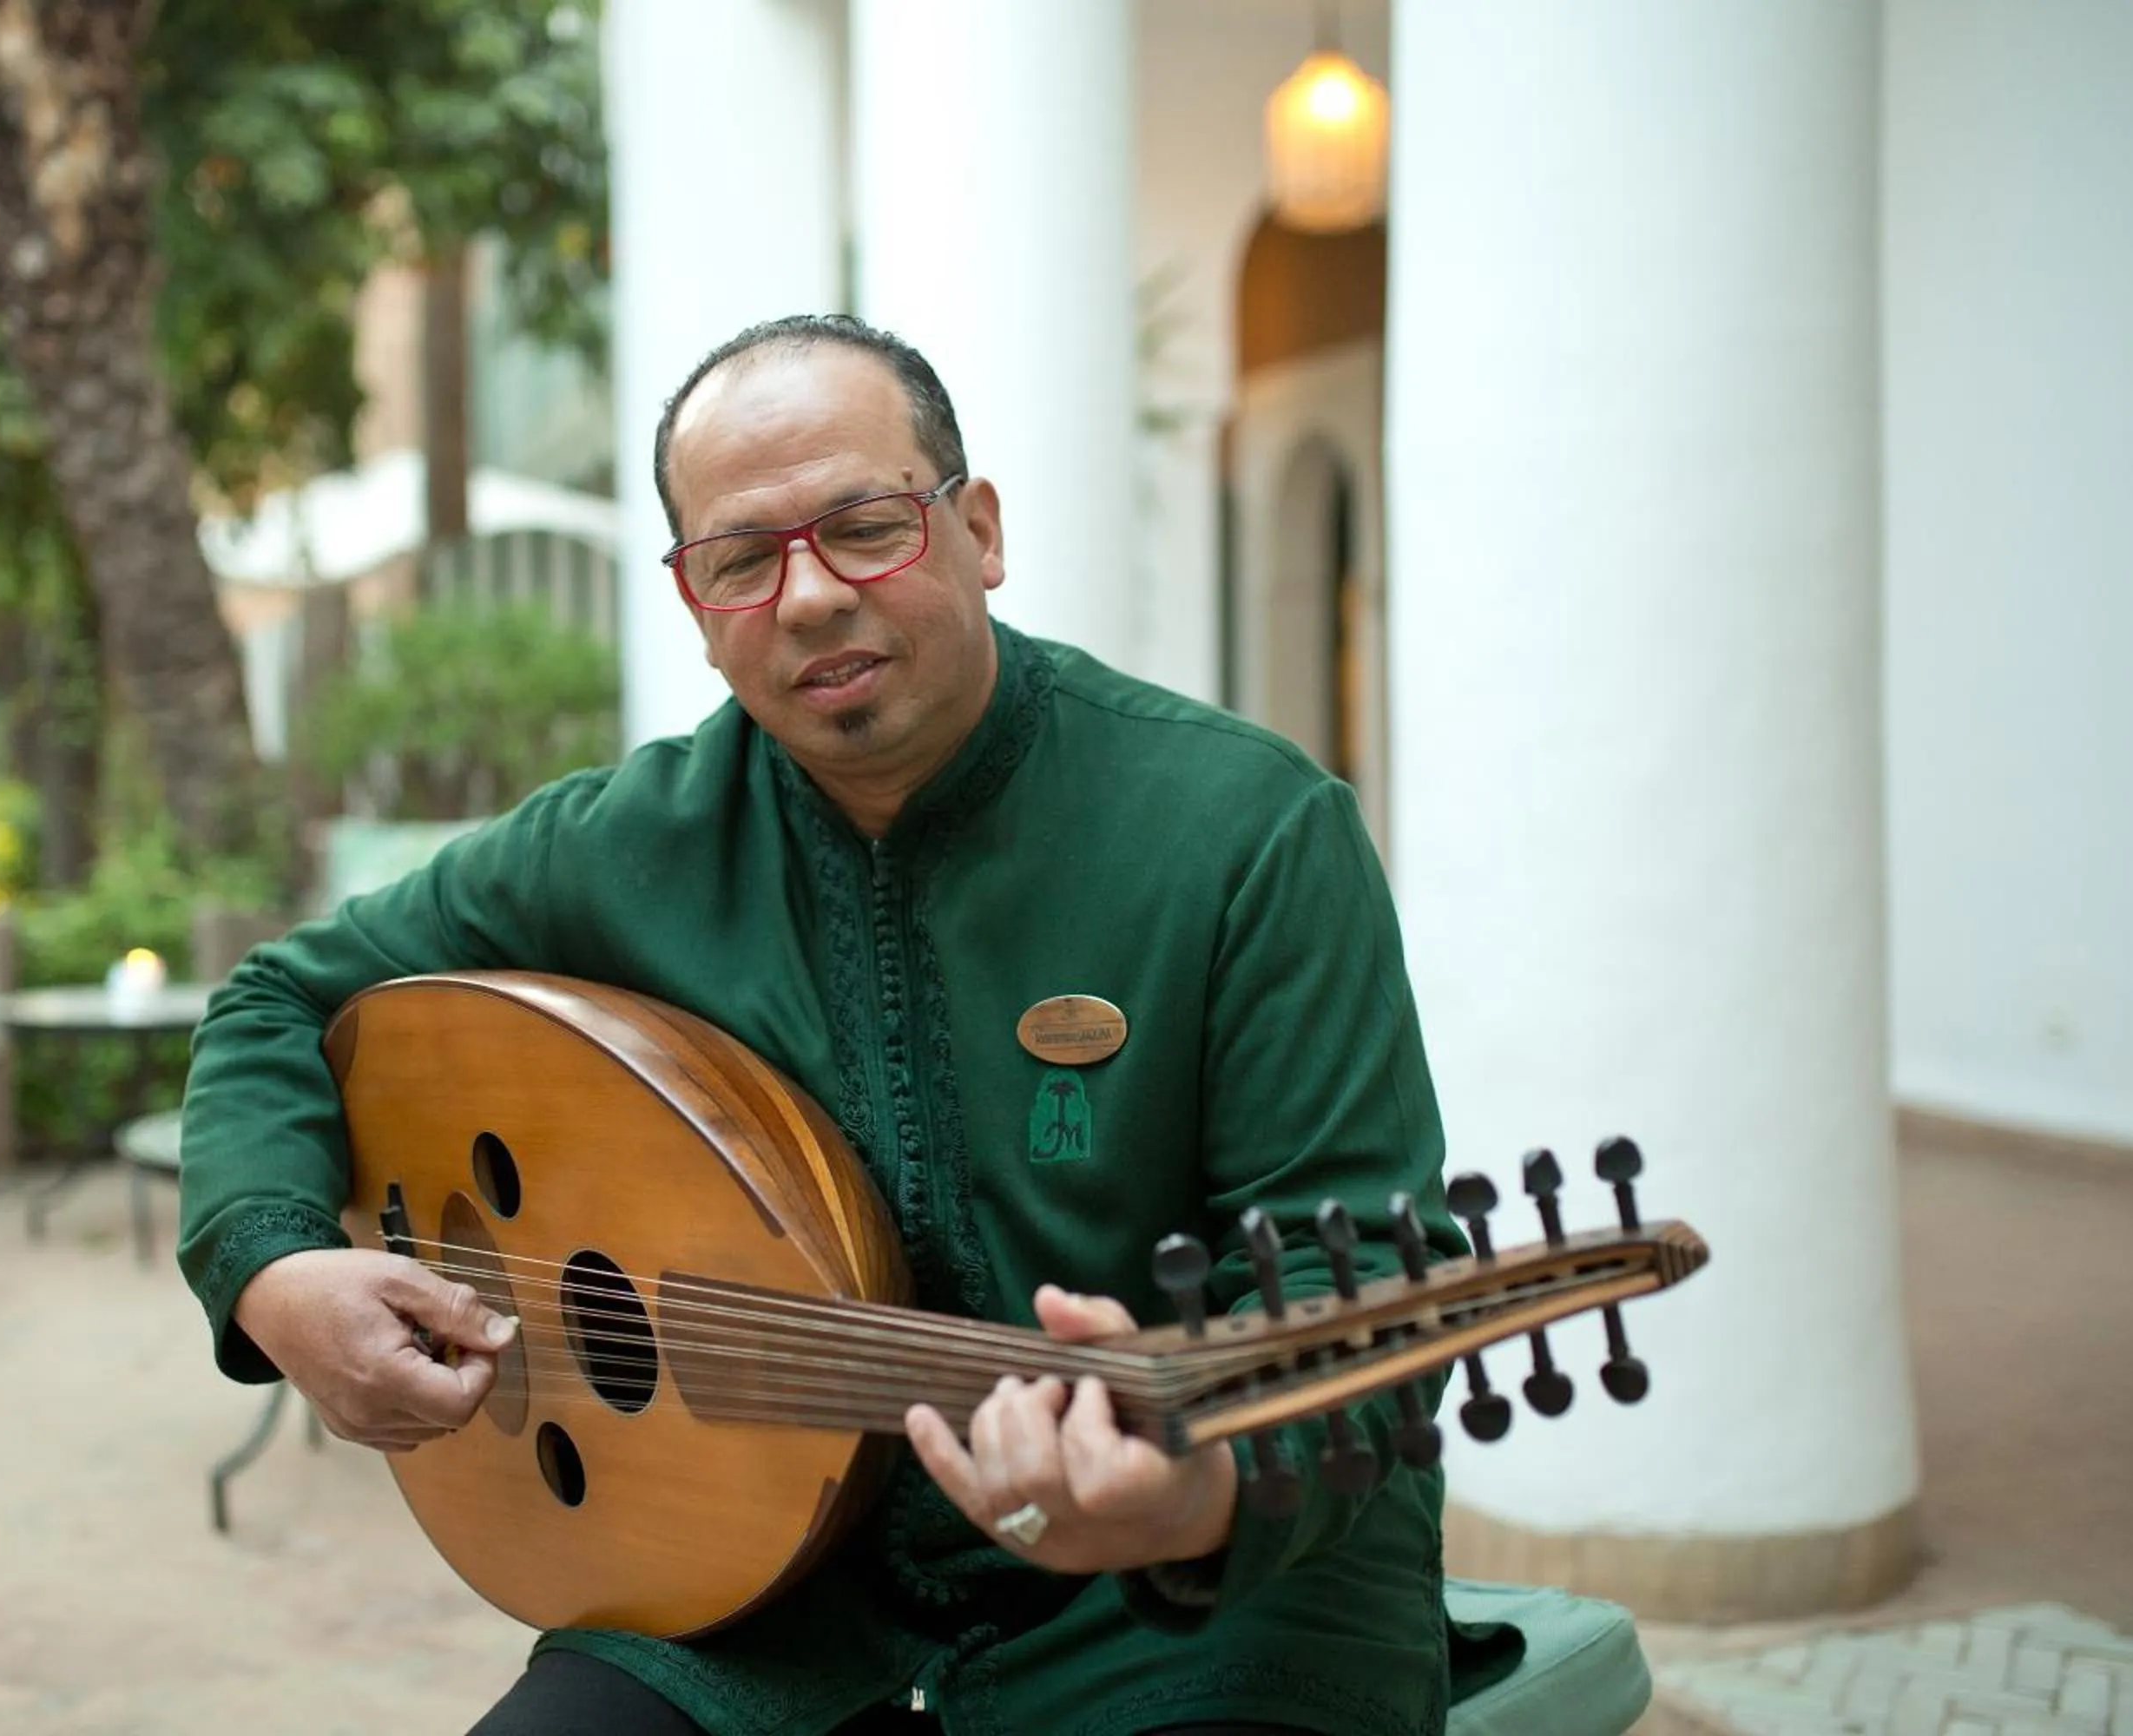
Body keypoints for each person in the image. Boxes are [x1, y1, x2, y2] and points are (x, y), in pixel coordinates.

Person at [175, 313, 1469, 1736]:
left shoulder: (1244, 830)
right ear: (696, 602)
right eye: (744, 557)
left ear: (978, 530)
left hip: (1195, 1611)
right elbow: (276, 999)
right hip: (777, 1597)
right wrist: (277, 1271)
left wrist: (1196, 1491)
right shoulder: (625, 843)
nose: (807, 598)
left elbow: (1357, 1280)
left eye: (866, 527)